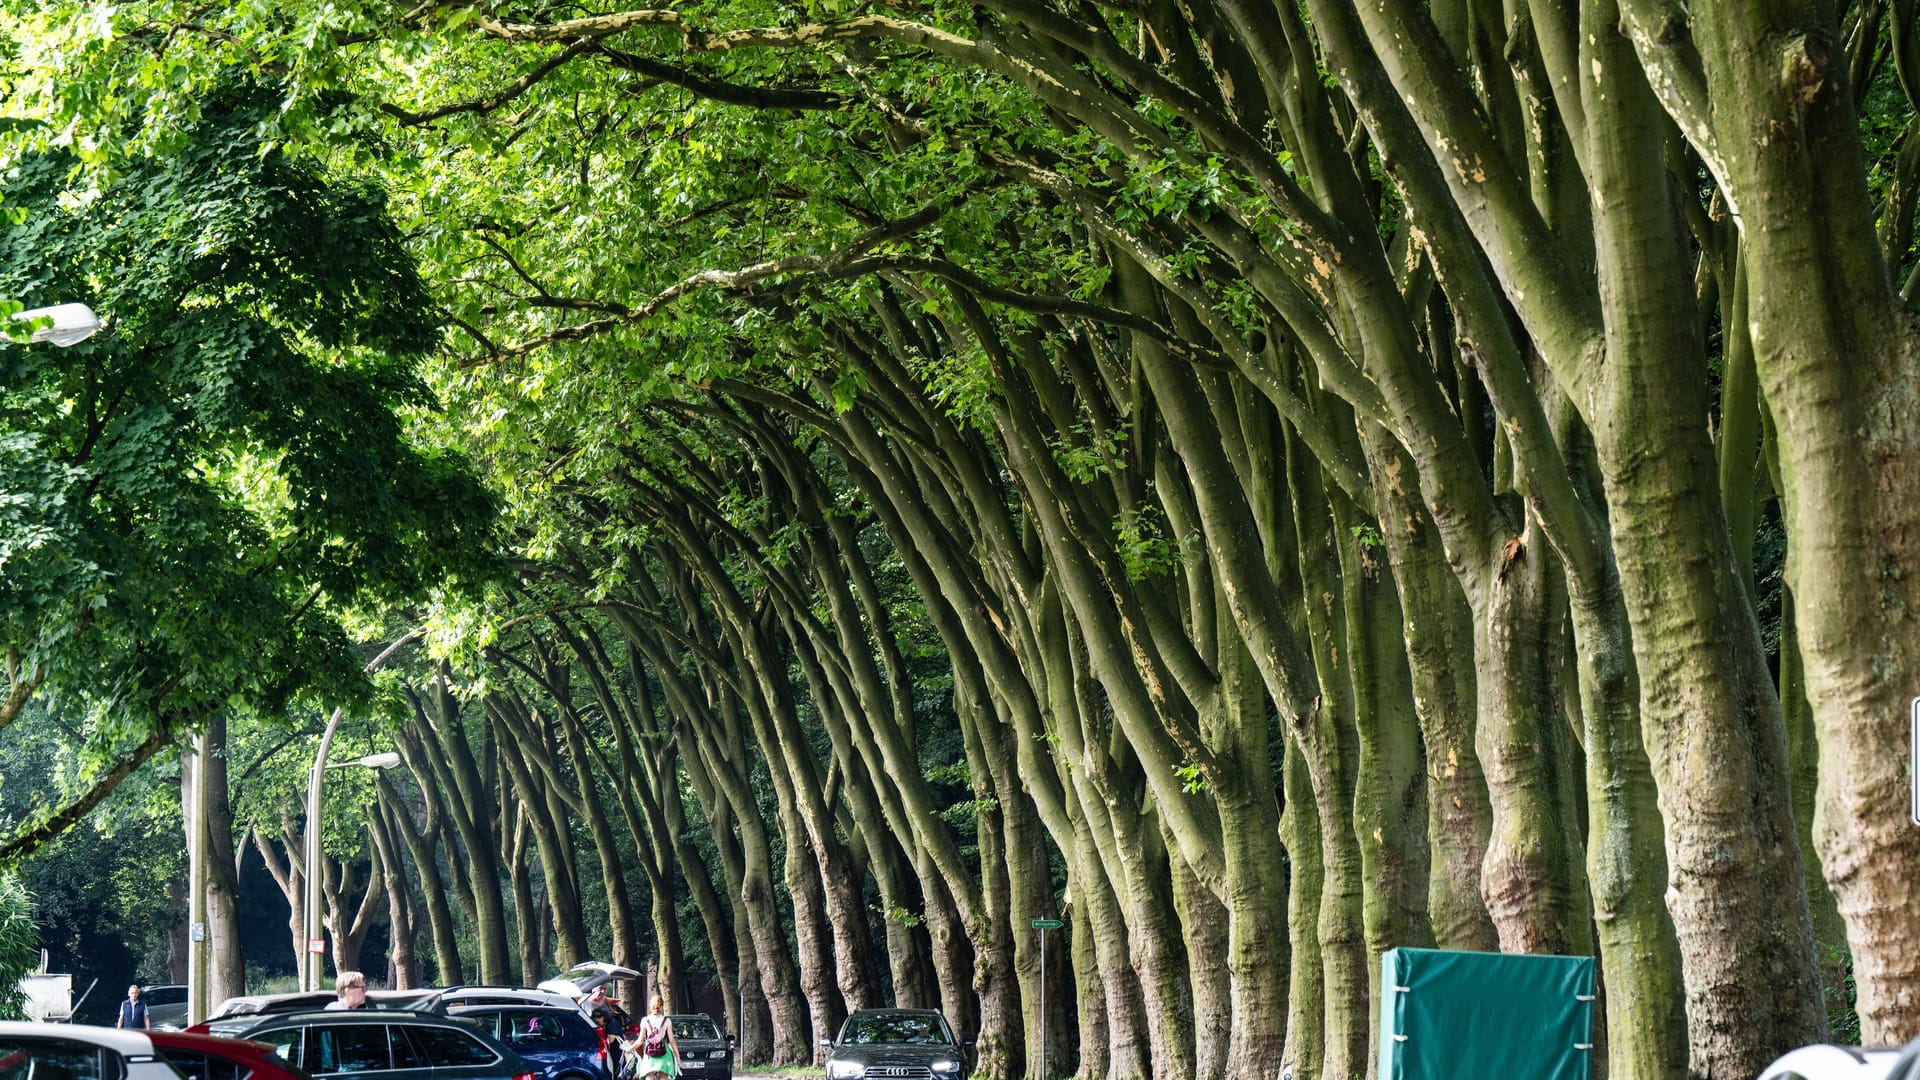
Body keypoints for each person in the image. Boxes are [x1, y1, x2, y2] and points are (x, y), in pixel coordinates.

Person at [620, 994, 678, 1080]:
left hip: (650, 1053)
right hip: (664, 1052)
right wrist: (678, 1056)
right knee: (664, 1077)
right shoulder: (667, 1021)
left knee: (649, 1076)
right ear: (661, 1006)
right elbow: (672, 1040)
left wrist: (629, 1049)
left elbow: (640, 1041)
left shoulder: (645, 1020)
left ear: (650, 1006)